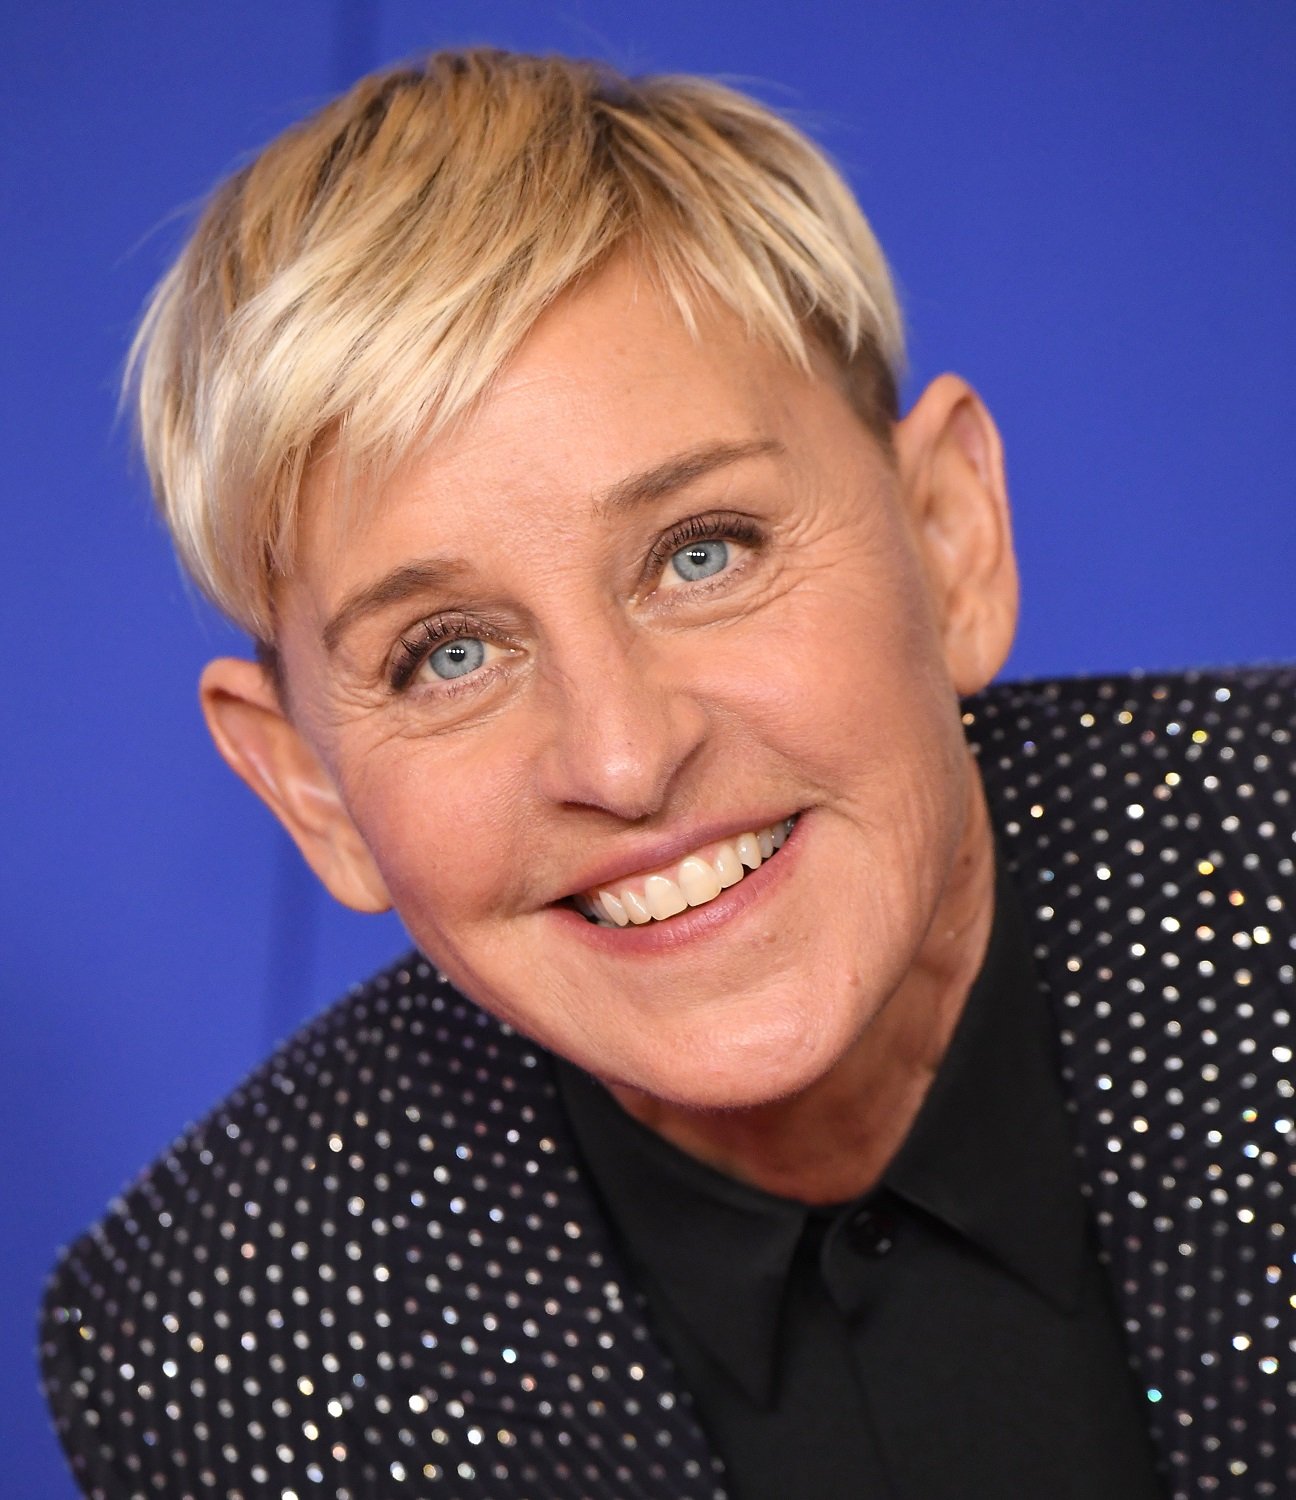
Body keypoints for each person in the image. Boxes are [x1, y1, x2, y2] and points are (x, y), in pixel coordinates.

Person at [39, 47, 1292, 1500]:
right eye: (446, 655)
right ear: (309, 791)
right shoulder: (225, 1340)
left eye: (705, 554)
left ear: (949, 540)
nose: (624, 760)